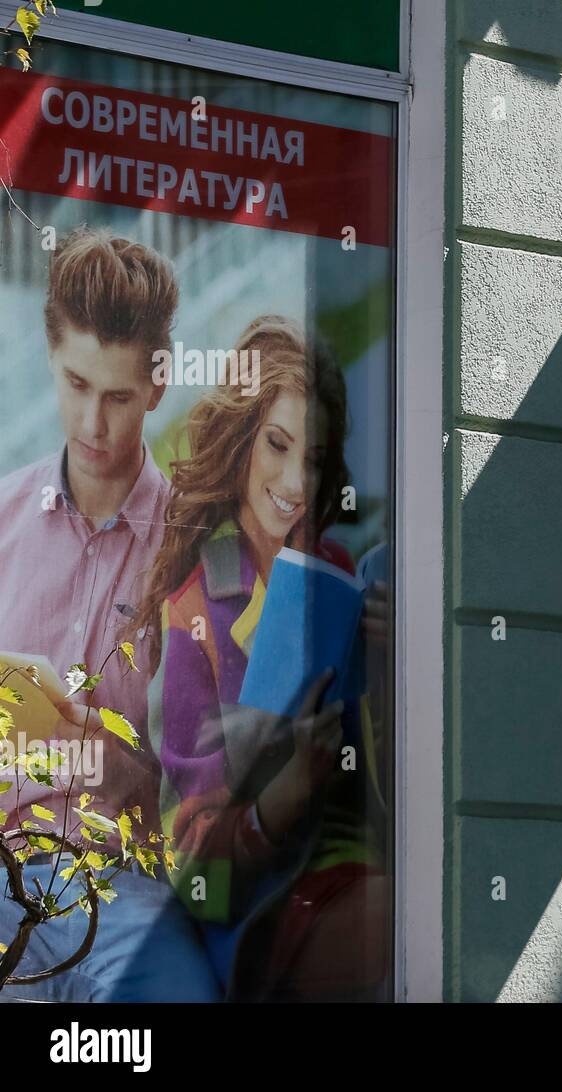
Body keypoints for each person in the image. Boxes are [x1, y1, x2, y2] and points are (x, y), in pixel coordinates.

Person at [134, 315, 389, 1001]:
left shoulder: (335, 571)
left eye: (312, 458)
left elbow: (393, 773)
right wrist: (277, 803)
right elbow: (191, 868)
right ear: (244, 440)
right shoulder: (196, 613)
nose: (293, 481)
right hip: (267, 906)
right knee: (394, 924)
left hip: (368, 860)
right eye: (277, 444)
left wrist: (393, 668)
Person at [0, 226, 220, 1002]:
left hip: (127, 887)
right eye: (77, 385)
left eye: (119, 396)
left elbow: (200, 764)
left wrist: (93, 749)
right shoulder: (1, 521)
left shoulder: (191, 544)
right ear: (52, 363)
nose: (94, 424)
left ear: (157, 385)